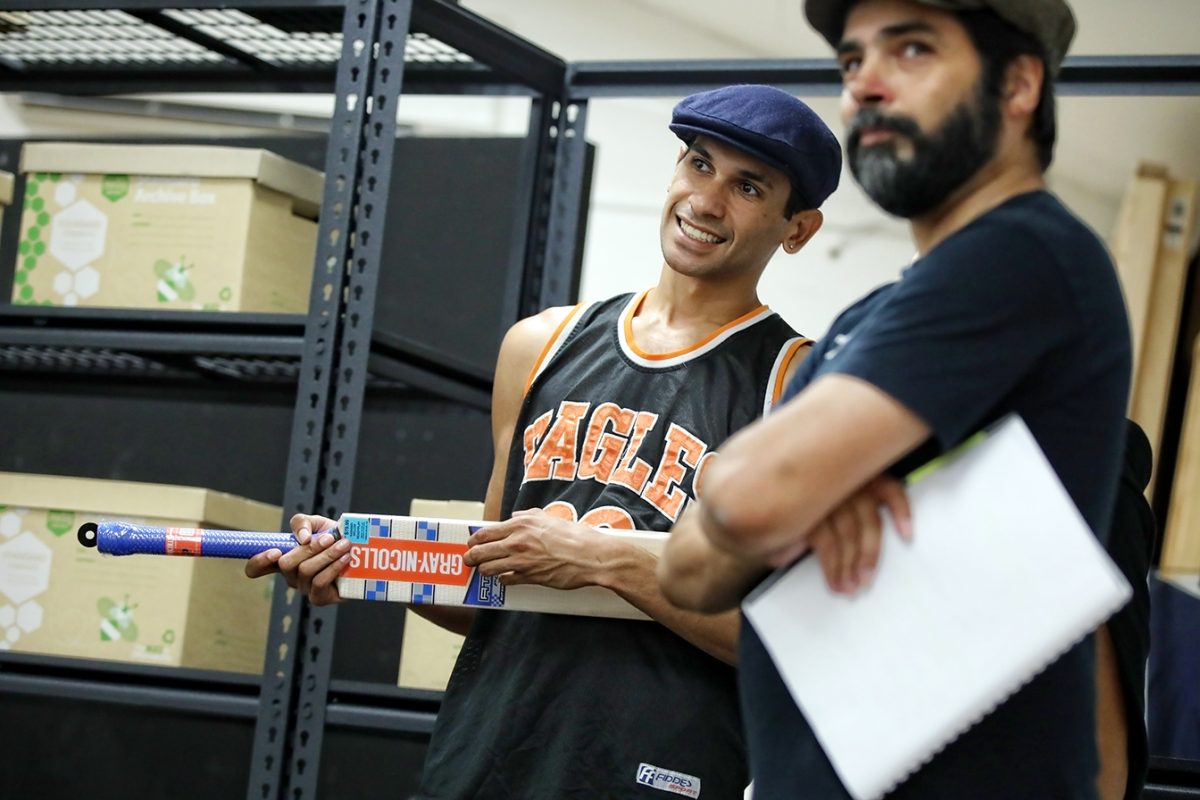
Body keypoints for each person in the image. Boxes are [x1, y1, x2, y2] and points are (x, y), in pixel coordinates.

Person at [245, 83, 843, 799]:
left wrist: (602, 561)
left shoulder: (800, 386)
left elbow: (794, 646)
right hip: (485, 759)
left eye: (748, 186)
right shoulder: (541, 345)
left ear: (797, 228)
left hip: (655, 774)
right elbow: (492, 588)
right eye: (698, 164)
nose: (707, 201)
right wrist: (369, 563)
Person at [658, 1, 1135, 798]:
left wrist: (778, 499)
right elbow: (685, 570)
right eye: (852, 62)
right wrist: (800, 501)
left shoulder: (1023, 254)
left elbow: (741, 499)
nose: (866, 86)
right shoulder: (868, 318)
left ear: (1018, 86)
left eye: (912, 51)